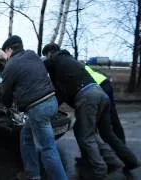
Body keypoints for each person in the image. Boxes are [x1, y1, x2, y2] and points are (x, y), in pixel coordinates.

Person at [42, 43, 140, 179]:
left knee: (86, 136)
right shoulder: (69, 61)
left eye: (46, 55)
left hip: (88, 97)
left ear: (50, 53)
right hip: (100, 94)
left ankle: (100, 170)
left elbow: (41, 69)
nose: (46, 58)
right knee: (106, 133)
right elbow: (63, 93)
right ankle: (128, 160)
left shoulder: (55, 59)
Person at [0, 35, 68, 180]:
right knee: (26, 136)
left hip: (38, 108)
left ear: (9, 49)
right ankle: (32, 173)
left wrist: (6, 106)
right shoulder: (32, 55)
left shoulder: (11, 64)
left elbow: (5, 93)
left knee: (47, 148)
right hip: (52, 102)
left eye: (5, 51)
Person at [84, 65, 126, 143]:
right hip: (105, 82)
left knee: (94, 116)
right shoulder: (81, 65)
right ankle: (121, 141)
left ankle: (94, 147)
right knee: (112, 113)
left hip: (98, 86)